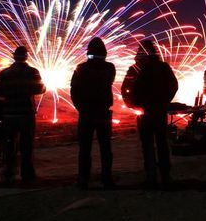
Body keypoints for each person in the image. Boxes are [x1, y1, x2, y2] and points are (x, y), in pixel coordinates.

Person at [124, 40, 178, 188]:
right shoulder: (163, 67)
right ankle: (166, 176)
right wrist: (165, 102)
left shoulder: (135, 69)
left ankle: (151, 176)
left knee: (147, 144)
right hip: (159, 111)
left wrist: (135, 105)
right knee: (162, 143)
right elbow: (174, 86)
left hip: (144, 113)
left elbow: (126, 90)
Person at [0, 46, 45, 183]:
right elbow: (40, 89)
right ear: (26, 57)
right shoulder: (32, 72)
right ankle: (27, 174)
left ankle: (9, 173)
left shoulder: (5, 73)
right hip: (26, 114)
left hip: (9, 114)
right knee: (27, 145)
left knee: (9, 146)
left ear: (14, 57)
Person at [70, 37, 116, 189]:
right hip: (103, 112)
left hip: (86, 114)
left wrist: (80, 107)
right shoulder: (110, 68)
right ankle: (107, 178)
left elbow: (74, 91)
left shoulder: (80, 68)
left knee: (84, 148)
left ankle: (83, 180)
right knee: (105, 147)